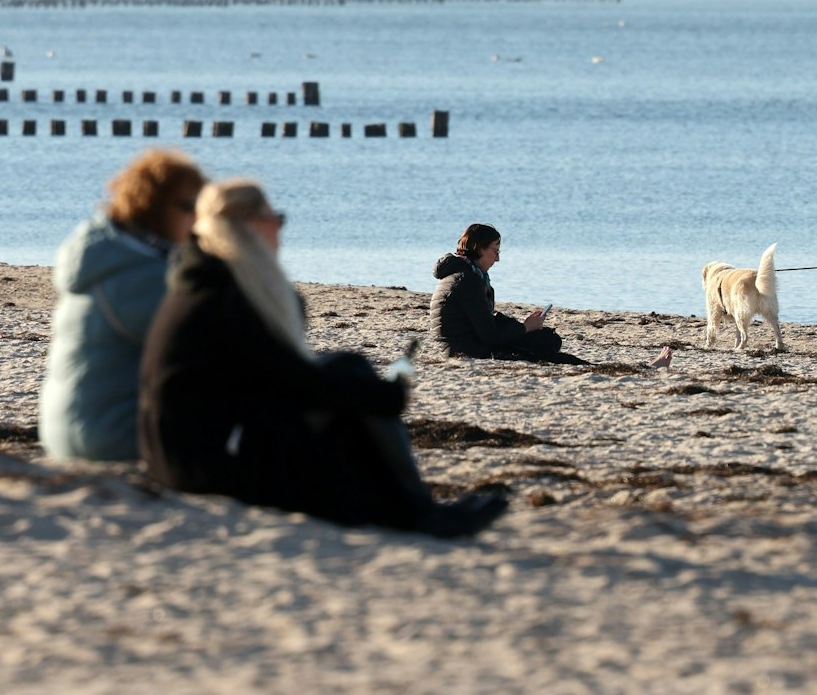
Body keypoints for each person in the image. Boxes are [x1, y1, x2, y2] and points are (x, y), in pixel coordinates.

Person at [138, 180, 506, 537]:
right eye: (276, 220)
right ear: (248, 227)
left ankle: (414, 509)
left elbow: (272, 376)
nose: (281, 231)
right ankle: (419, 512)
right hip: (205, 463)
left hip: (188, 452)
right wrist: (381, 397)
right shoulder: (227, 297)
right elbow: (288, 381)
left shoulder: (205, 279)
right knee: (348, 386)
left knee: (345, 370)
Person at [38, 150, 206, 461]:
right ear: (152, 206)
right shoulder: (140, 275)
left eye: (201, 207)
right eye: (188, 206)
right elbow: (204, 345)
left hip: (63, 432)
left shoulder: (105, 252)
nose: (197, 218)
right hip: (109, 435)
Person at [431, 224, 587, 364]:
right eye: (495, 251)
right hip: (465, 349)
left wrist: (519, 326)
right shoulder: (468, 280)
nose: (497, 258)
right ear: (480, 249)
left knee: (546, 338)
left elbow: (482, 323)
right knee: (544, 344)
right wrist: (525, 327)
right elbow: (490, 336)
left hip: (466, 344)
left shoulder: (465, 274)